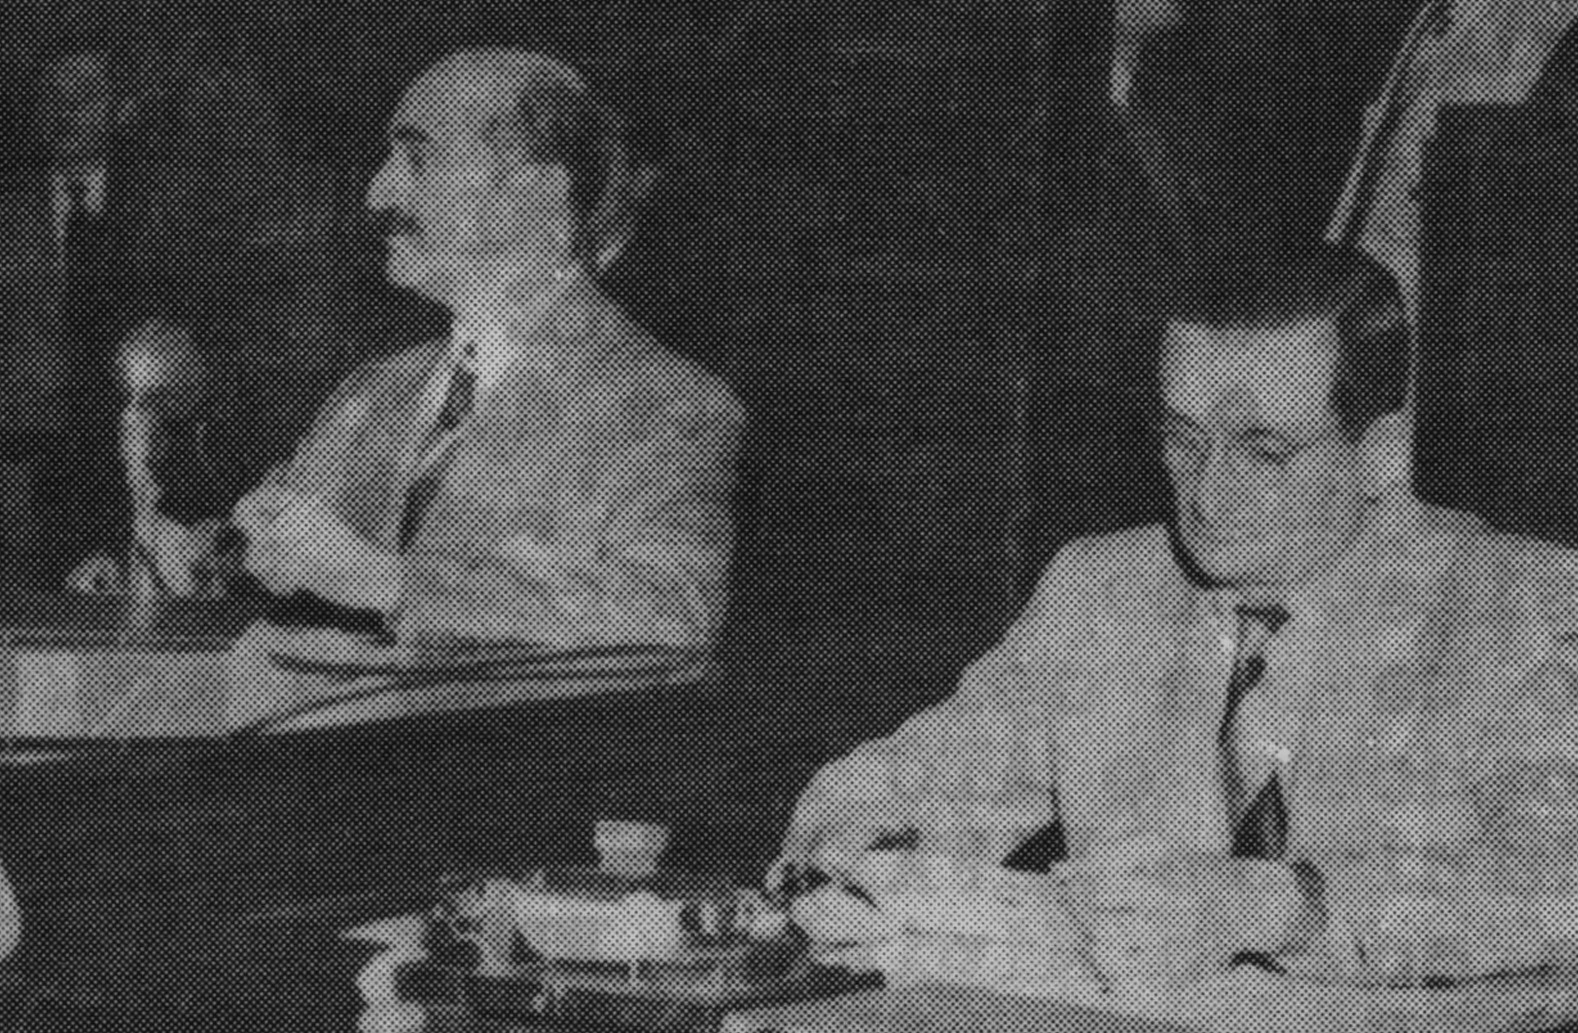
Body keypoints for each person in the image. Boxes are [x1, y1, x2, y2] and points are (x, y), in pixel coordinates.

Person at [777, 244, 1578, 992]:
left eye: (1264, 451)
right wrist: (859, 817)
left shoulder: (1518, 606)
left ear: (1378, 452)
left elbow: (1557, 878)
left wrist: (1277, 905)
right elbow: (941, 768)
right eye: (1184, 440)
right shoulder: (1103, 591)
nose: (1208, 496)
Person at [162, 50, 743, 724]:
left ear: (536, 189)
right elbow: (288, 574)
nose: (377, 193)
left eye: (416, 159)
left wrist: (388, 582)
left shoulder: (669, 407)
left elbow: (671, 612)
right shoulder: (372, 392)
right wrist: (199, 558)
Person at [68, 319, 229, 598]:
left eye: (159, 401)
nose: (136, 419)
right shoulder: (97, 513)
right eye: (132, 401)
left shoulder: (226, 517)